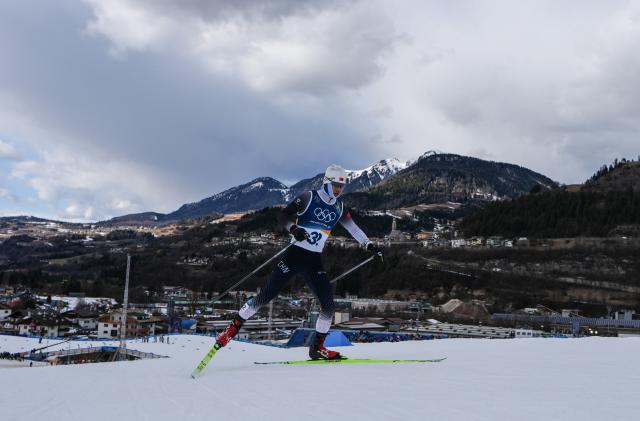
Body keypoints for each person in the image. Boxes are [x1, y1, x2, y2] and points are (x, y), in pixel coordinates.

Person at [215, 164, 383, 360]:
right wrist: (294, 229)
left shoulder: (339, 207)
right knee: (267, 294)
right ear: (327, 182)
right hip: (295, 255)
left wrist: (369, 245)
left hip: (314, 260)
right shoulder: (308, 197)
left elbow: (353, 229)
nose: (338, 190)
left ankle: (317, 347)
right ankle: (231, 330)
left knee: (328, 306)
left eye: (341, 187)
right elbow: (283, 215)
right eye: (336, 185)